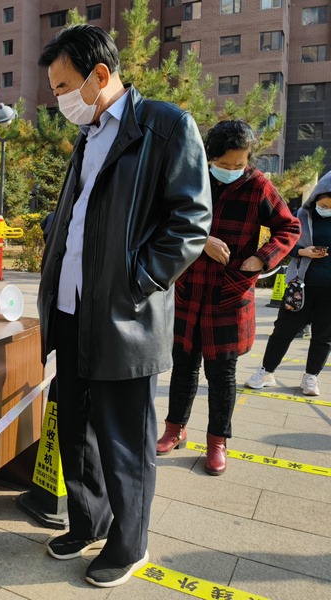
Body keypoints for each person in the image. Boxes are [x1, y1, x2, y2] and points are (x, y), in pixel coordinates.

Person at [37, 25, 212, 588]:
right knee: (77, 427)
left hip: (123, 315)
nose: (58, 98)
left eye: (63, 85)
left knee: (124, 438)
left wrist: (138, 281)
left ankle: (130, 542)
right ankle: (88, 521)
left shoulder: (164, 125)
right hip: (71, 309)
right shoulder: (88, 135)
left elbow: (191, 222)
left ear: (99, 75)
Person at [157, 121, 300, 475]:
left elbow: (289, 227)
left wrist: (261, 259)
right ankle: (175, 429)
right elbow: (163, 218)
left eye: (240, 163)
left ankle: (217, 441)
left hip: (229, 293)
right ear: (210, 156)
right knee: (183, 367)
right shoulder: (191, 178)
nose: (233, 169)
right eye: (225, 163)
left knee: (222, 375)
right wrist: (201, 238)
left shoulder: (258, 185)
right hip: (189, 289)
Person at [245, 171, 331, 396]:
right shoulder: (301, 215)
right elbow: (284, 241)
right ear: (316, 197)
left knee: (323, 336)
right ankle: (266, 372)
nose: (326, 209)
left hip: (328, 291)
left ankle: (311, 377)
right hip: (300, 286)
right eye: (323, 204)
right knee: (284, 330)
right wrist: (303, 251)